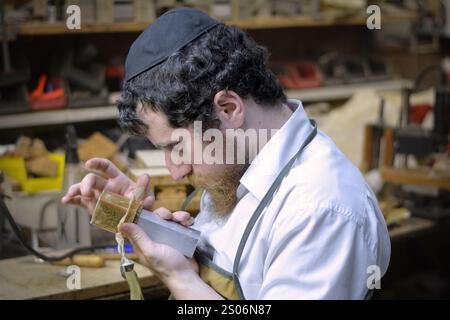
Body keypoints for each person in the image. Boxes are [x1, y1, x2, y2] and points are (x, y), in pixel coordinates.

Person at [62, 7, 390, 300]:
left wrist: (178, 278)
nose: (175, 172)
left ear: (229, 109)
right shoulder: (239, 170)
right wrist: (141, 223)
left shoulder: (320, 210)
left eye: (176, 146)